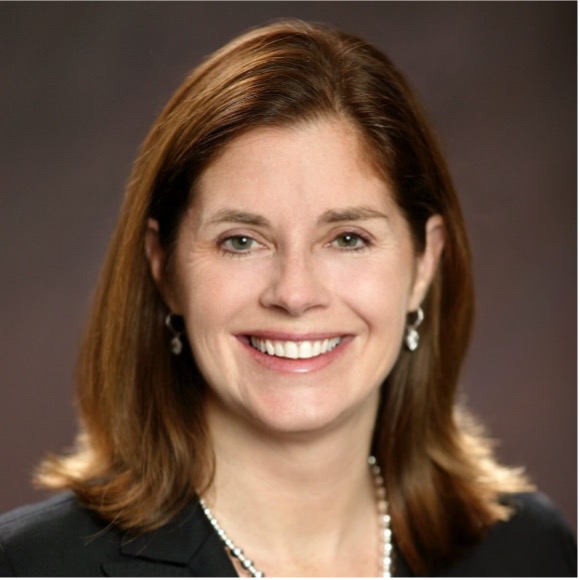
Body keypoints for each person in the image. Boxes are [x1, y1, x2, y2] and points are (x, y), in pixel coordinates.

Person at [0, 19, 575, 578]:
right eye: (241, 241)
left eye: (348, 238)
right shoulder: (31, 566)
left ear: (424, 263)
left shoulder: (530, 555)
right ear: (165, 268)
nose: (294, 294)